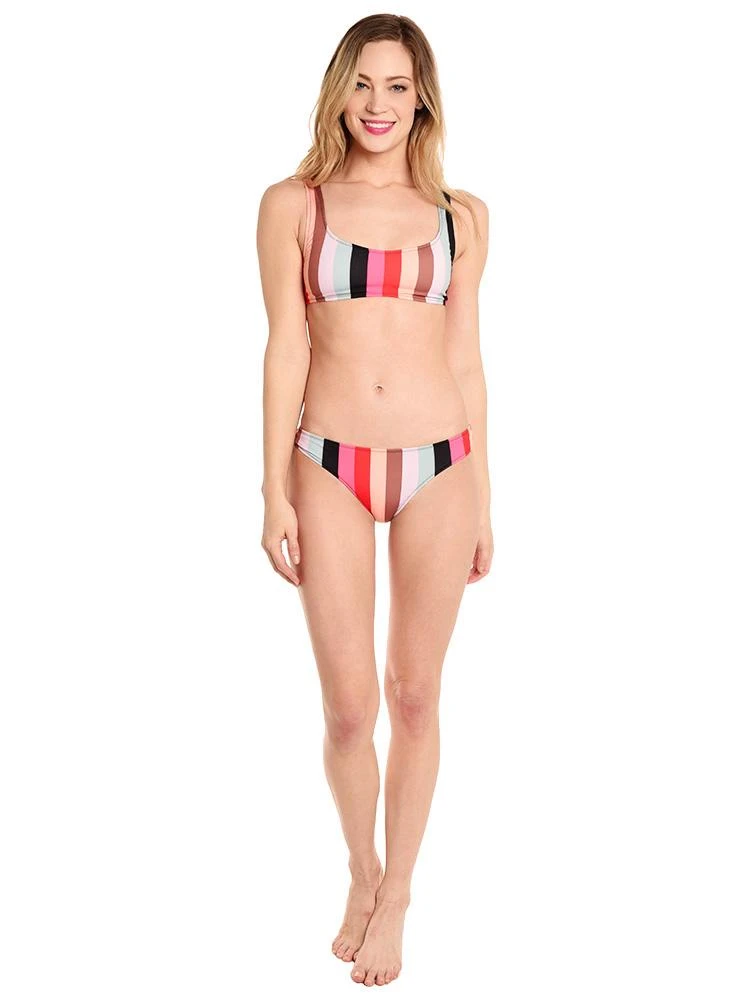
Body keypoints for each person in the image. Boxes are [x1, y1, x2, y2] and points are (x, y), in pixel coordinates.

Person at [257, 13, 493, 987]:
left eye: (397, 85)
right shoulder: (293, 204)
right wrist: (271, 488)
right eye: (362, 83)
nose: (378, 104)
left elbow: (467, 359)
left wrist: (486, 499)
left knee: (417, 693)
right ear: (338, 91)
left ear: (422, 98)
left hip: (441, 462)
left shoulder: (461, 214)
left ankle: (398, 897)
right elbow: (285, 347)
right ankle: (362, 869)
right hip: (328, 463)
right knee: (351, 708)